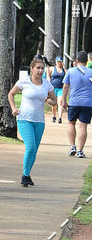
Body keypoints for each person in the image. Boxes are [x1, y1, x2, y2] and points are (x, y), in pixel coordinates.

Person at [7, 55, 56, 187]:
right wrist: (13, 108)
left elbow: (54, 100)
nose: (40, 71)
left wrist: (51, 101)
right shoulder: (24, 81)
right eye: (38, 68)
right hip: (24, 119)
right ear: (32, 69)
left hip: (39, 121)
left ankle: (27, 174)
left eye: (42, 68)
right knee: (31, 147)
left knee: (34, 150)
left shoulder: (47, 84)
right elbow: (11, 94)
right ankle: (25, 175)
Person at [62, 50, 92, 157]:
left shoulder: (70, 71)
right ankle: (80, 151)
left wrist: (64, 100)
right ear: (86, 61)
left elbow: (65, 86)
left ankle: (72, 146)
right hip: (87, 103)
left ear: (76, 61)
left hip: (74, 102)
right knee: (83, 127)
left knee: (71, 123)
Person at [47, 56, 66, 122]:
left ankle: (60, 117)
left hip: (61, 88)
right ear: (56, 62)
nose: (59, 63)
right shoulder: (52, 68)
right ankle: (54, 115)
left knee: (60, 102)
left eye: (60, 61)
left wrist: (64, 67)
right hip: (53, 88)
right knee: (54, 103)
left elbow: (67, 76)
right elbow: (48, 77)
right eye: (58, 62)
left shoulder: (64, 69)